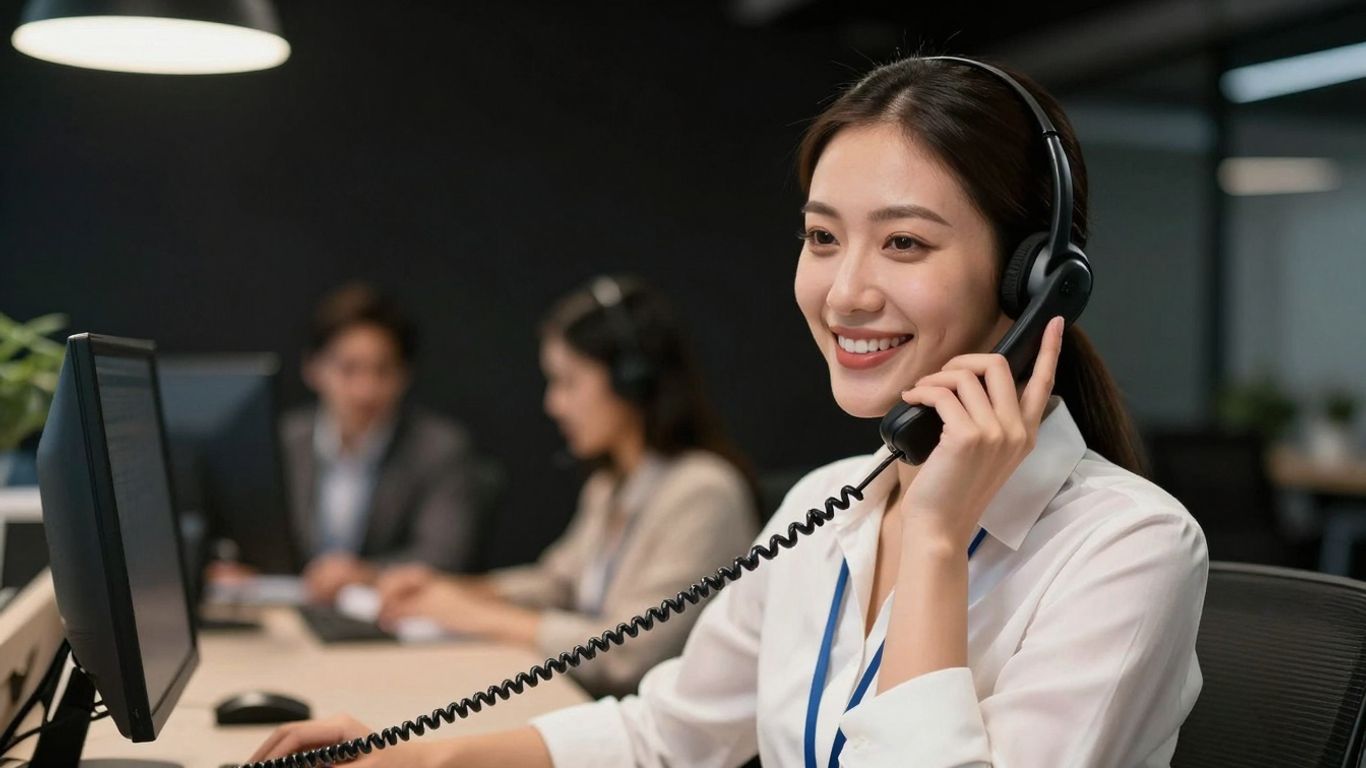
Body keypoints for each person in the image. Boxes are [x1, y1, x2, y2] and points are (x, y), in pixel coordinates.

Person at [249, 56, 1208, 768]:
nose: (845, 293)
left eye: (905, 244)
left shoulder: (1129, 548)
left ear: (1033, 282)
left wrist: (932, 543)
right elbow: (665, 734)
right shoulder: (824, 507)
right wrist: (413, 756)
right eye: (822, 238)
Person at [371, 276, 760, 697]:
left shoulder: (704, 493)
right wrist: (453, 590)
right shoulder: (611, 485)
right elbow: (559, 583)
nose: (553, 404)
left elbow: (627, 654)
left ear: (631, 379)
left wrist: (474, 615)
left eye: (568, 382)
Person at [282, 283, 481, 603]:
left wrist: (366, 574)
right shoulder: (285, 443)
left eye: (383, 370)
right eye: (349, 369)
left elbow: (444, 557)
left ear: (405, 375)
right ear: (313, 368)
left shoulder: (439, 449)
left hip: (385, 615)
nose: (366, 390)